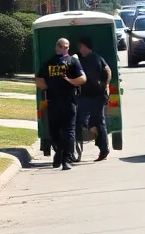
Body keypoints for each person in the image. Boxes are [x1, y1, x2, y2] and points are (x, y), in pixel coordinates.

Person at [35, 37, 86, 170]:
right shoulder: (49, 62)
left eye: (66, 46)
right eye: (61, 46)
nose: (63, 48)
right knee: (54, 131)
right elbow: (39, 79)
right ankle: (59, 152)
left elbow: (83, 78)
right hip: (53, 102)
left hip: (69, 101)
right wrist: (48, 87)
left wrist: (70, 81)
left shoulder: (73, 61)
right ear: (56, 47)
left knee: (69, 131)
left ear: (68, 48)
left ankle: (67, 159)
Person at [76, 37, 112, 162]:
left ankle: (104, 150)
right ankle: (97, 141)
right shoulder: (80, 59)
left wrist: (105, 85)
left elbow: (108, 70)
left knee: (99, 122)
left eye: (81, 46)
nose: (79, 49)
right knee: (83, 119)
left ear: (86, 47)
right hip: (85, 95)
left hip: (97, 95)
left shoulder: (96, 58)